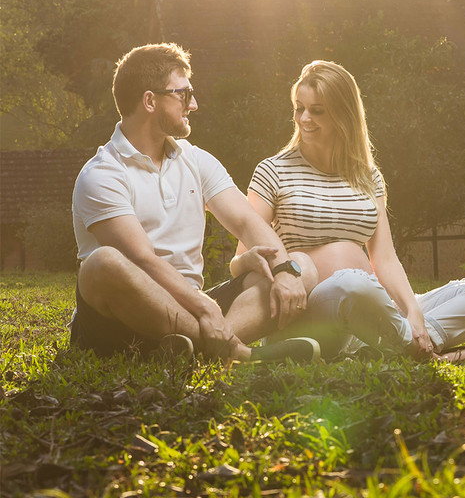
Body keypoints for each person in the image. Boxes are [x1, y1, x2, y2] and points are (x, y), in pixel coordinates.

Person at [238, 60, 465, 362]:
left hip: (373, 304)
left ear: (343, 114)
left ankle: (388, 343)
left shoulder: (368, 177)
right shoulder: (273, 171)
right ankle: (427, 353)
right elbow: (245, 260)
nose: (304, 118)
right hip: (311, 314)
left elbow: (384, 258)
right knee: (353, 283)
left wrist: (413, 311)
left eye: (317, 110)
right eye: (299, 108)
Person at [71, 43, 320, 362]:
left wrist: (284, 270)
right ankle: (236, 353)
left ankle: (196, 347)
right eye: (184, 94)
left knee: (303, 267)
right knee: (103, 262)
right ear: (150, 100)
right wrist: (206, 307)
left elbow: (246, 221)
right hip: (119, 321)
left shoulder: (196, 160)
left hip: (189, 310)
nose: (195, 104)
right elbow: (142, 260)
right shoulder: (102, 174)